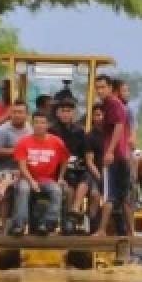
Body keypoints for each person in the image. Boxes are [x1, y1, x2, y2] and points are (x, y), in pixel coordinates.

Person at [8, 109, 69, 236]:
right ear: (32, 124)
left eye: (42, 123)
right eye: (36, 122)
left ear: (47, 125)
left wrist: (61, 177)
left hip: (47, 179)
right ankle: (19, 225)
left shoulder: (57, 142)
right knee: (23, 188)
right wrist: (31, 181)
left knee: (57, 190)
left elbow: (65, 160)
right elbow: (22, 166)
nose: (39, 125)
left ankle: (47, 224)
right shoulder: (23, 142)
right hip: (27, 178)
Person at [50, 98, 96, 234]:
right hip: (59, 168)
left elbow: (84, 153)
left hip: (77, 166)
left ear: (73, 113)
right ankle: (67, 223)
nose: (66, 114)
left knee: (86, 176)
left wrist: (80, 161)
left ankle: (75, 209)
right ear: (58, 113)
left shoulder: (80, 131)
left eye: (69, 111)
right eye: (63, 111)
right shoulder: (52, 131)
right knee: (69, 189)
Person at [95, 74, 132, 236]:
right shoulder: (109, 105)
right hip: (122, 156)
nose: (100, 91)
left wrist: (109, 151)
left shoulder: (113, 103)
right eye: (97, 88)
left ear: (110, 88)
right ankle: (130, 234)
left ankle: (102, 230)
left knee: (109, 195)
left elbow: (118, 126)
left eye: (103, 87)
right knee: (123, 197)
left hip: (115, 157)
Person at [0, 101, 32, 226]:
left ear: (26, 114)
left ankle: (25, 224)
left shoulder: (30, 129)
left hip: (26, 169)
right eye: (14, 112)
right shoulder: (3, 130)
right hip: (5, 168)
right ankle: (4, 226)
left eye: (20, 112)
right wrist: (17, 152)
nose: (17, 115)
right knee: (7, 189)